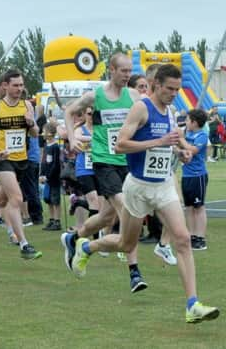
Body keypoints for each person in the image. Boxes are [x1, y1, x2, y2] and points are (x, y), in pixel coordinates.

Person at [69, 64, 219, 324]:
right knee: (126, 244)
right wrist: (158, 143)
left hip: (162, 185)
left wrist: (179, 151)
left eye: (177, 89)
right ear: (156, 85)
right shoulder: (141, 108)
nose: (174, 93)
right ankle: (87, 246)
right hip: (137, 187)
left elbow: (168, 141)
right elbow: (121, 145)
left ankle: (192, 304)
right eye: (169, 89)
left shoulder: (170, 111)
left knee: (182, 239)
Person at [62, 53, 147, 292]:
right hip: (103, 162)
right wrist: (71, 138)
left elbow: (144, 121)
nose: (127, 75)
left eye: (130, 71)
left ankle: (74, 238)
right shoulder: (95, 96)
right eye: (123, 71)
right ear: (111, 69)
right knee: (128, 211)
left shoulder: (133, 96)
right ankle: (134, 273)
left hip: (126, 161)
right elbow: (69, 111)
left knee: (106, 218)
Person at [0, 68, 42, 259]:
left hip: (22, 159)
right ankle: (23, 243)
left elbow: (36, 134)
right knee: (17, 199)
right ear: (5, 86)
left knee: (1, 201)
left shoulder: (27, 106)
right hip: (4, 160)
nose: (19, 88)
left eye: (21, 85)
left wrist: (31, 123)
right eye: (15, 85)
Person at [181, 109, 209, 250]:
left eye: (187, 120)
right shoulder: (187, 133)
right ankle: (192, 236)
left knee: (199, 207)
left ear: (194, 122)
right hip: (186, 175)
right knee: (189, 207)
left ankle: (200, 238)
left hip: (198, 175)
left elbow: (192, 150)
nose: (185, 122)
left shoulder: (202, 135)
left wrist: (181, 140)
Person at [40, 122, 61, 231]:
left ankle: (57, 221)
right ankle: (52, 219)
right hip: (47, 177)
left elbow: (56, 164)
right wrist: (42, 174)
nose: (43, 133)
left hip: (54, 178)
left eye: (45, 131)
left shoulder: (55, 147)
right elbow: (44, 161)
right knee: (48, 199)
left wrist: (49, 176)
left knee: (55, 200)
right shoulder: (46, 146)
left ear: (50, 133)